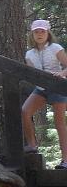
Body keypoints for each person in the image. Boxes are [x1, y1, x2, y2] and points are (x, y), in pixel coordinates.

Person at [22, 19, 67, 169]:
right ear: (32, 34)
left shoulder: (55, 48)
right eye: (36, 32)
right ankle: (32, 145)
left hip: (57, 87)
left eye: (42, 31)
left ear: (48, 33)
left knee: (59, 123)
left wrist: (62, 73)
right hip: (40, 89)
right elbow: (31, 73)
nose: (40, 34)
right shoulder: (29, 53)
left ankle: (65, 160)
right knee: (25, 111)